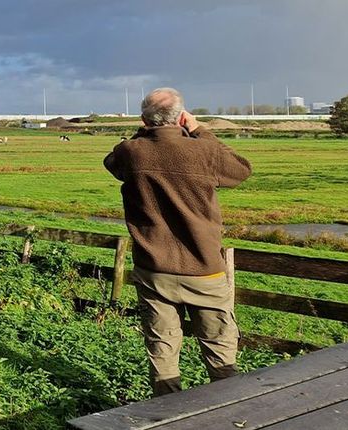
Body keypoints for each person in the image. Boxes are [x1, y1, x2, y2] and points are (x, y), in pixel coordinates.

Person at [104, 88, 252, 397]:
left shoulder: (131, 151)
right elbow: (241, 170)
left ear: (145, 120)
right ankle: (230, 411)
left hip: (155, 268)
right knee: (220, 351)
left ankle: (167, 413)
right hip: (204, 270)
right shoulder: (204, 152)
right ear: (182, 117)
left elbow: (112, 161)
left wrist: (144, 130)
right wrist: (199, 131)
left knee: (163, 351)